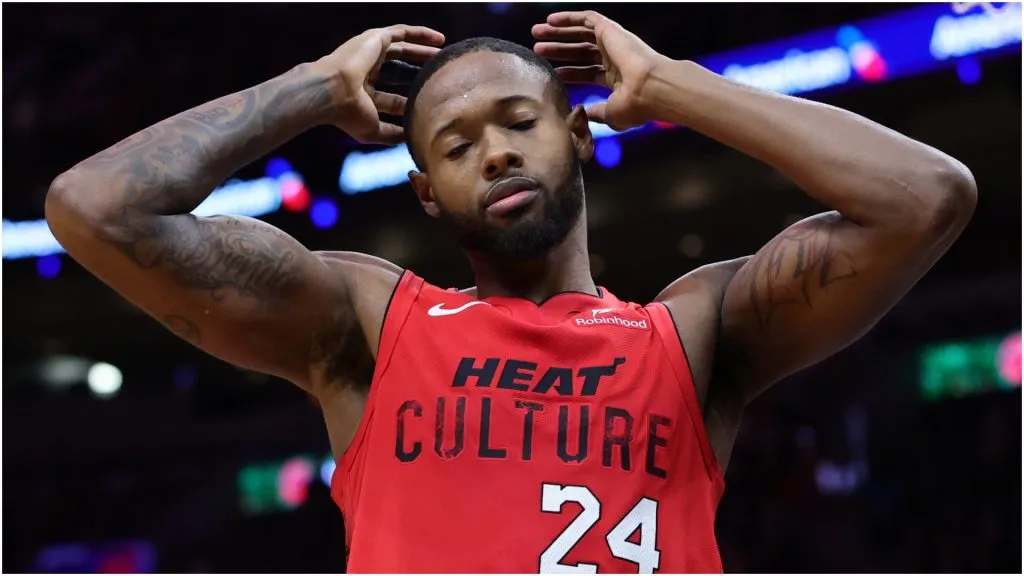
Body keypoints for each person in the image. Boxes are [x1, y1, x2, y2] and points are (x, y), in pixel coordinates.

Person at [45, 10, 976, 573]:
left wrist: (677, 87)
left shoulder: (690, 337)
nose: (492, 151)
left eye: (518, 121)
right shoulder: (369, 327)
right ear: (425, 194)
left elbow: (925, 198)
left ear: (577, 132)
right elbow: (95, 208)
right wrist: (312, 86)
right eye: (454, 146)